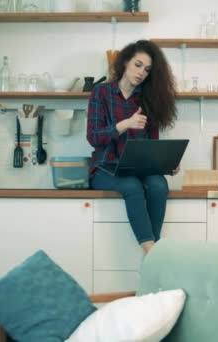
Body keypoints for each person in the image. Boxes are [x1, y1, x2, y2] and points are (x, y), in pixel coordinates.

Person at [86, 40, 178, 255]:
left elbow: (151, 146)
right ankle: (152, 251)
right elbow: (93, 137)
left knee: (158, 184)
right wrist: (125, 125)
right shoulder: (101, 92)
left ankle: (150, 253)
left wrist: (166, 163)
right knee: (132, 186)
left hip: (139, 170)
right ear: (125, 62)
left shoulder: (147, 99)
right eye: (138, 65)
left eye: (147, 70)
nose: (141, 73)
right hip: (105, 168)